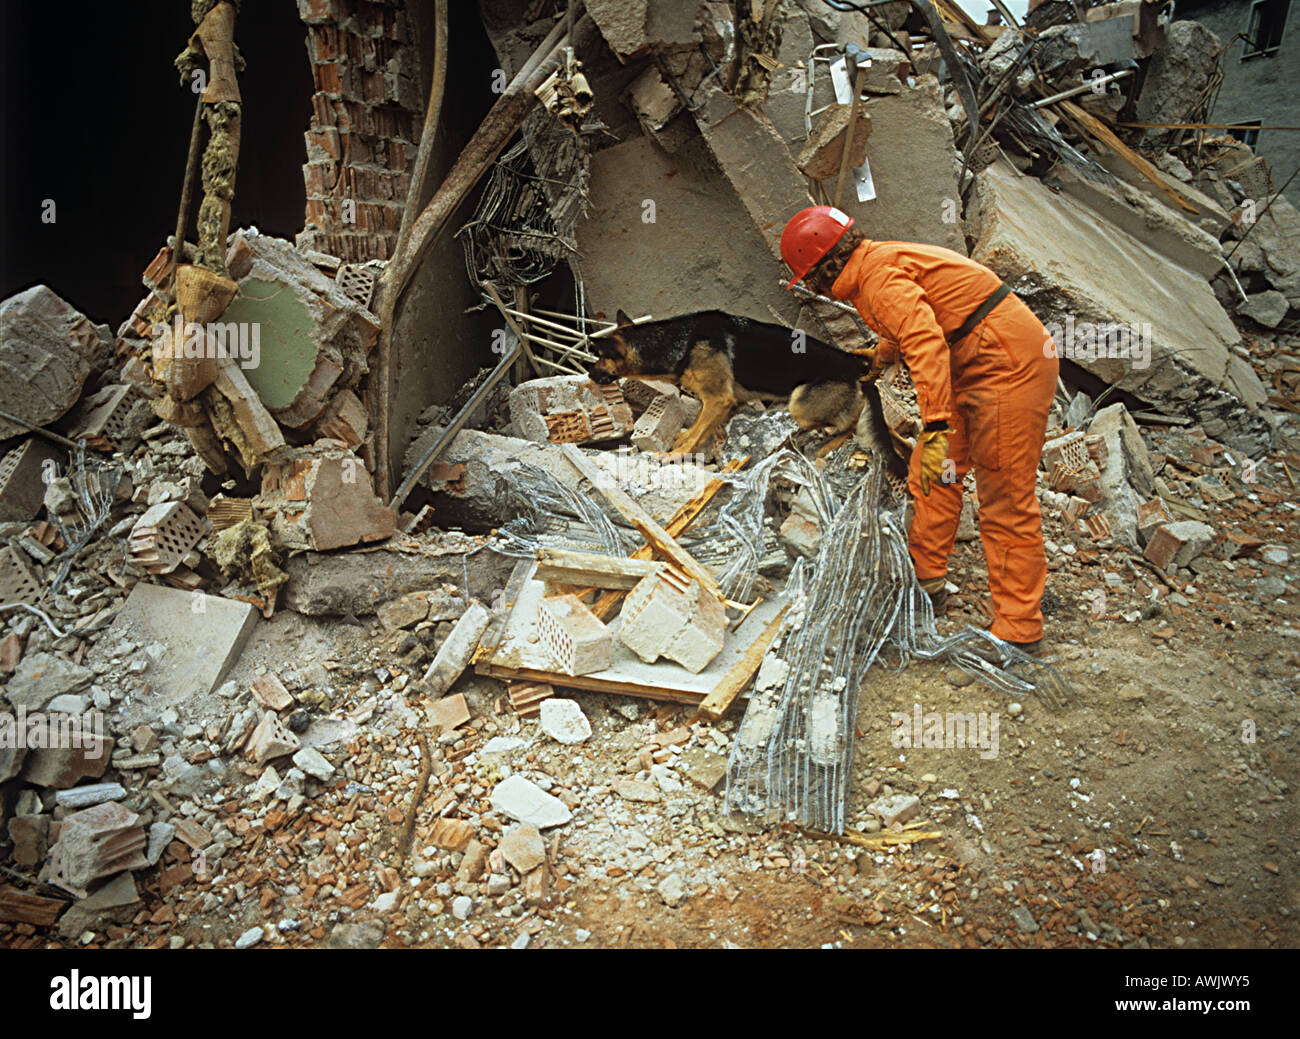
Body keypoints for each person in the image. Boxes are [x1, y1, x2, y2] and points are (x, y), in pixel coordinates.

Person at [779, 205, 1059, 649]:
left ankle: (1019, 629)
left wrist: (935, 427)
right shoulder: (873, 266)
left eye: (810, 279)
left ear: (822, 269)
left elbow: (926, 342)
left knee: (1004, 496)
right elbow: (916, 317)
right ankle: (925, 581)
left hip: (1009, 362)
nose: (814, 288)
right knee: (933, 474)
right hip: (976, 355)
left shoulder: (876, 277)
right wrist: (882, 354)